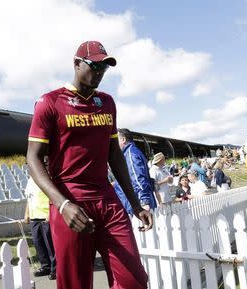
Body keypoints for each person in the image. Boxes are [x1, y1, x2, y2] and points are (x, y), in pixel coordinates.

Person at [27, 40, 151, 289]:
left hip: (107, 198)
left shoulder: (107, 102)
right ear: (76, 63)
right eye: (94, 66)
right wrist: (62, 204)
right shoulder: (49, 102)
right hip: (70, 199)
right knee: (76, 283)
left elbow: (114, 155)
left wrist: (136, 204)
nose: (99, 73)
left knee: (134, 280)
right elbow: (32, 158)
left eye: (104, 68)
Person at [24, 158, 56, 280]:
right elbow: (29, 198)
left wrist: (50, 213)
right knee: (38, 243)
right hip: (34, 217)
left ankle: (55, 269)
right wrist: (26, 213)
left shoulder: (47, 178)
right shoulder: (31, 180)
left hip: (46, 216)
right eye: (28, 164)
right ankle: (45, 266)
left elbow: (53, 195)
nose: (29, 166)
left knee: (50, 244)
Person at [114, 128, 157, 215]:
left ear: (123, 139)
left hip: (137, 207)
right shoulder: (132, 152)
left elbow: (138, 178)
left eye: (116, 140)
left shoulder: (130, 154)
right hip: (133, 205)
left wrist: (144, 201)